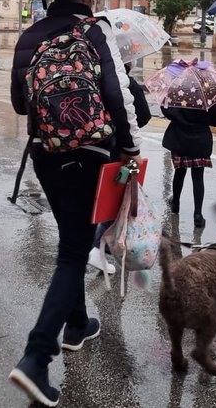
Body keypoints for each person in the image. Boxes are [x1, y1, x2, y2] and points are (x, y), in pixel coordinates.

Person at [9, 0, 143, 407]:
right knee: (72, 250)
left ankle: (77, 324)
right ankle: (36, 356)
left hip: (47, 153)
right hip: (92, 152)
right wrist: (129, 150)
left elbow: (18, 102)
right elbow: (116, 96)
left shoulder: (31, 35)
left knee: (73, 235)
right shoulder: (94, 30)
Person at [88, 63, 151, 276]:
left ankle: (93, 245)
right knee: (115, 199)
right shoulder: (126, 83)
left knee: (94, 199)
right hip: (120, 150)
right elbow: (143, 115)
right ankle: (98, 248)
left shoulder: (92, 74)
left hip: (91, 147)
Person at [161, 89, 216, 228]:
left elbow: (167, 111)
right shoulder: (208, 94)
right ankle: (198, 214)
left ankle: (175, 204)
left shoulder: (179, 90)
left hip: (180, 139)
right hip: (200, 140)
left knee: (179, 172)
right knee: (198, 177)